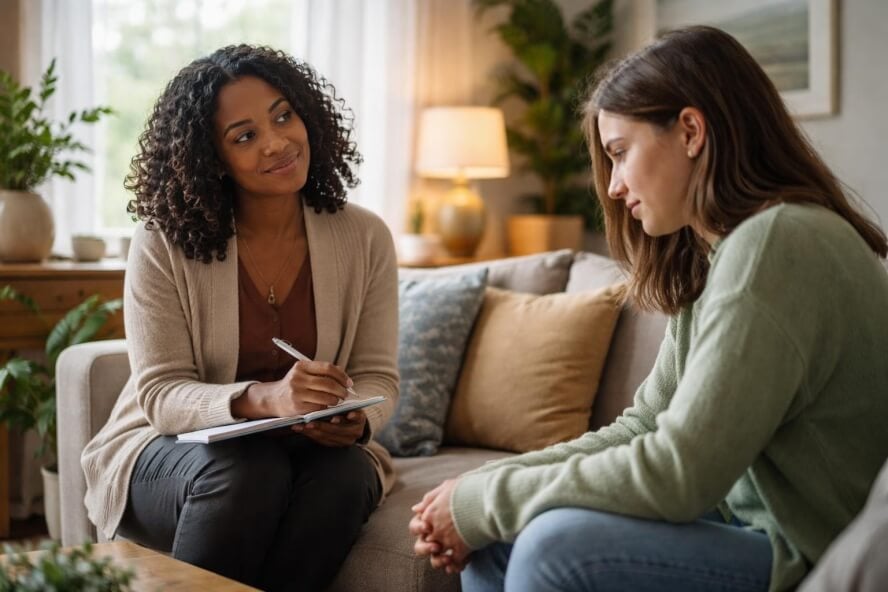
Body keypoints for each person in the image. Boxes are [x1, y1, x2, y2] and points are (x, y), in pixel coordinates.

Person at [409, 25, 888, 592]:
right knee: (499, 539)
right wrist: (483, 486)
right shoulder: (720, 258)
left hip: (807, 552)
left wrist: (488, 499)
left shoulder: (778, 243)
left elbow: (678, 473)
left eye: (620, 154)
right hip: (750, 531)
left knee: (553, 546)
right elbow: (641, 426)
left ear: (690, 131)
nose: (612, 187)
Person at [81, 44, 399, 591]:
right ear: (212, 157)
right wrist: (266, 398)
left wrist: (354, 419)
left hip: (303, 449)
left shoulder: (364, 237)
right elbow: (159, 394)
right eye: (245, 136)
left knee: (347, 475)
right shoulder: (163, 243)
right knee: (248, 470)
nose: (276, 143)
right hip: (169, 450)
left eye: (283, 116)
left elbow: (377, 375)